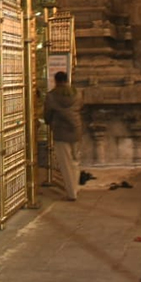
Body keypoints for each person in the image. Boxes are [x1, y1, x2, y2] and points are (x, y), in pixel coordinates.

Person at [44, 70, 83, 201]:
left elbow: (47, 114)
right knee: (75, 160)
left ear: (56, 81)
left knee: (65, 163)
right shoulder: (77, 93)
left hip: (61, 131)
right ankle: (75, 188)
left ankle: (72, 192)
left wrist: (48, 122)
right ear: (67, 80)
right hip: (76, 130)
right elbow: (80, 107)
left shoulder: (51, 96)